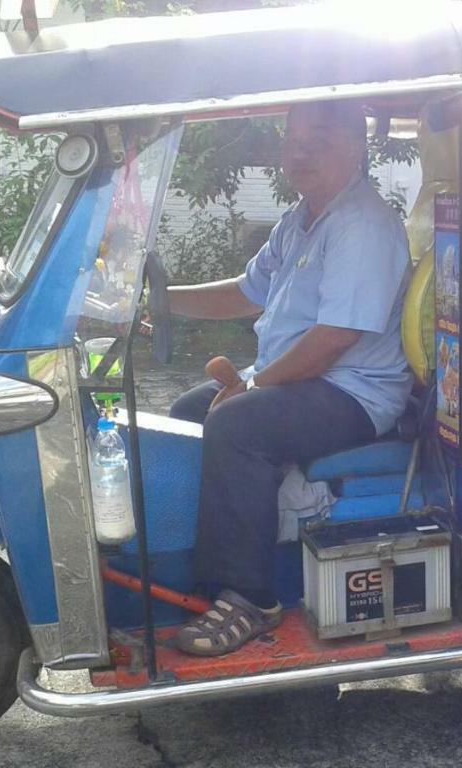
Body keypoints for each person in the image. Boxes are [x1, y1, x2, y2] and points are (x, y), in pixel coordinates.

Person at [165, 101, 412, 656]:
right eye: (292, 138)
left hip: (356, 392)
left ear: (356, 145)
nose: (300, 151)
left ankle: (250, 598)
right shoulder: (301, 218)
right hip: (305, 380)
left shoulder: (362, 224)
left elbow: (333, 340)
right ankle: (200, 566)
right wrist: (155, 299)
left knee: (235, 425)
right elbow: (244, 292)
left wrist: (253, 387)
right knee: (187, 414)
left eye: (319, 136)